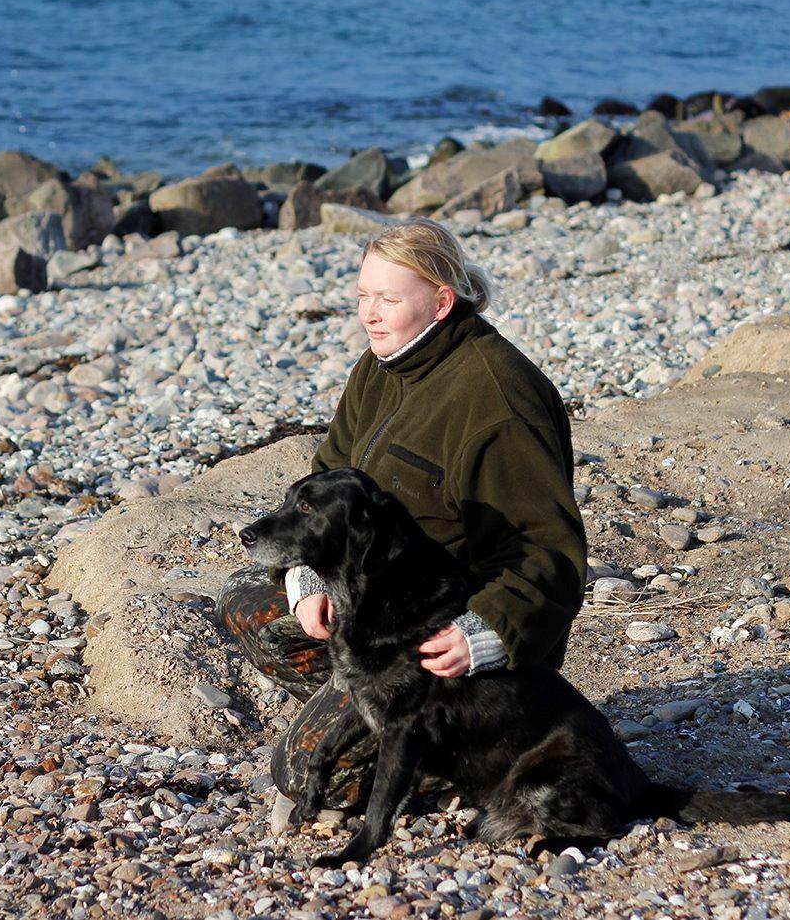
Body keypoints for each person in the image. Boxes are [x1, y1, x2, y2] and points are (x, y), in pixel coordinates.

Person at [216, 217, 587, 814]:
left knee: (304, 773)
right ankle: (370, 696)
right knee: (244, 603)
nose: (370, 313)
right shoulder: (382, 362)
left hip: (451, 645)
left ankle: (478, 753)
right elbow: (329, 473)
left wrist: (485, 634)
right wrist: (308, 576)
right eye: (363, 296)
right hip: (384, 612)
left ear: (442, 301)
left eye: (388, 299)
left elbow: (550, 550)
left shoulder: (498, 401)